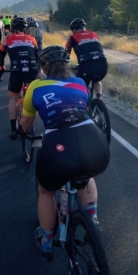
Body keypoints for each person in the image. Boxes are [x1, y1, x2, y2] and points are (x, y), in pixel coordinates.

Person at [20, 45, 110, 259]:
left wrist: (23, 128)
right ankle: (92, 220)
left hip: (58, 147)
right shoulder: (79, 83)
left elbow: (25, 125)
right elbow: (82, 110)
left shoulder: (35, 86)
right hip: (95, 143)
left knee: (46, 190)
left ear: (43, 68)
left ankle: (47, 238)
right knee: (85, 175)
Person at [0, 17, 39, 139]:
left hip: (16, 71)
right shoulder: (32, 39)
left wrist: (2, 67)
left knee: (13, 97)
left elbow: (1, 55)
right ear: (24, 28)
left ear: (12, 28)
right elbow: (36, 57)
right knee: (31, 95)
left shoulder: (7, 40)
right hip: (32, 71)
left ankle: (13, 129)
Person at [65, 18, 108, 99]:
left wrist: (65, 65)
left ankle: (84, 104)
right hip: (103, 65)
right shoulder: (94, 34)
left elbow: (66, 53)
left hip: (87, 66)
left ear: (74, 30)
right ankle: (99, 99)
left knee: (79, 85)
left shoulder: (72, 37)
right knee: (97, 80)